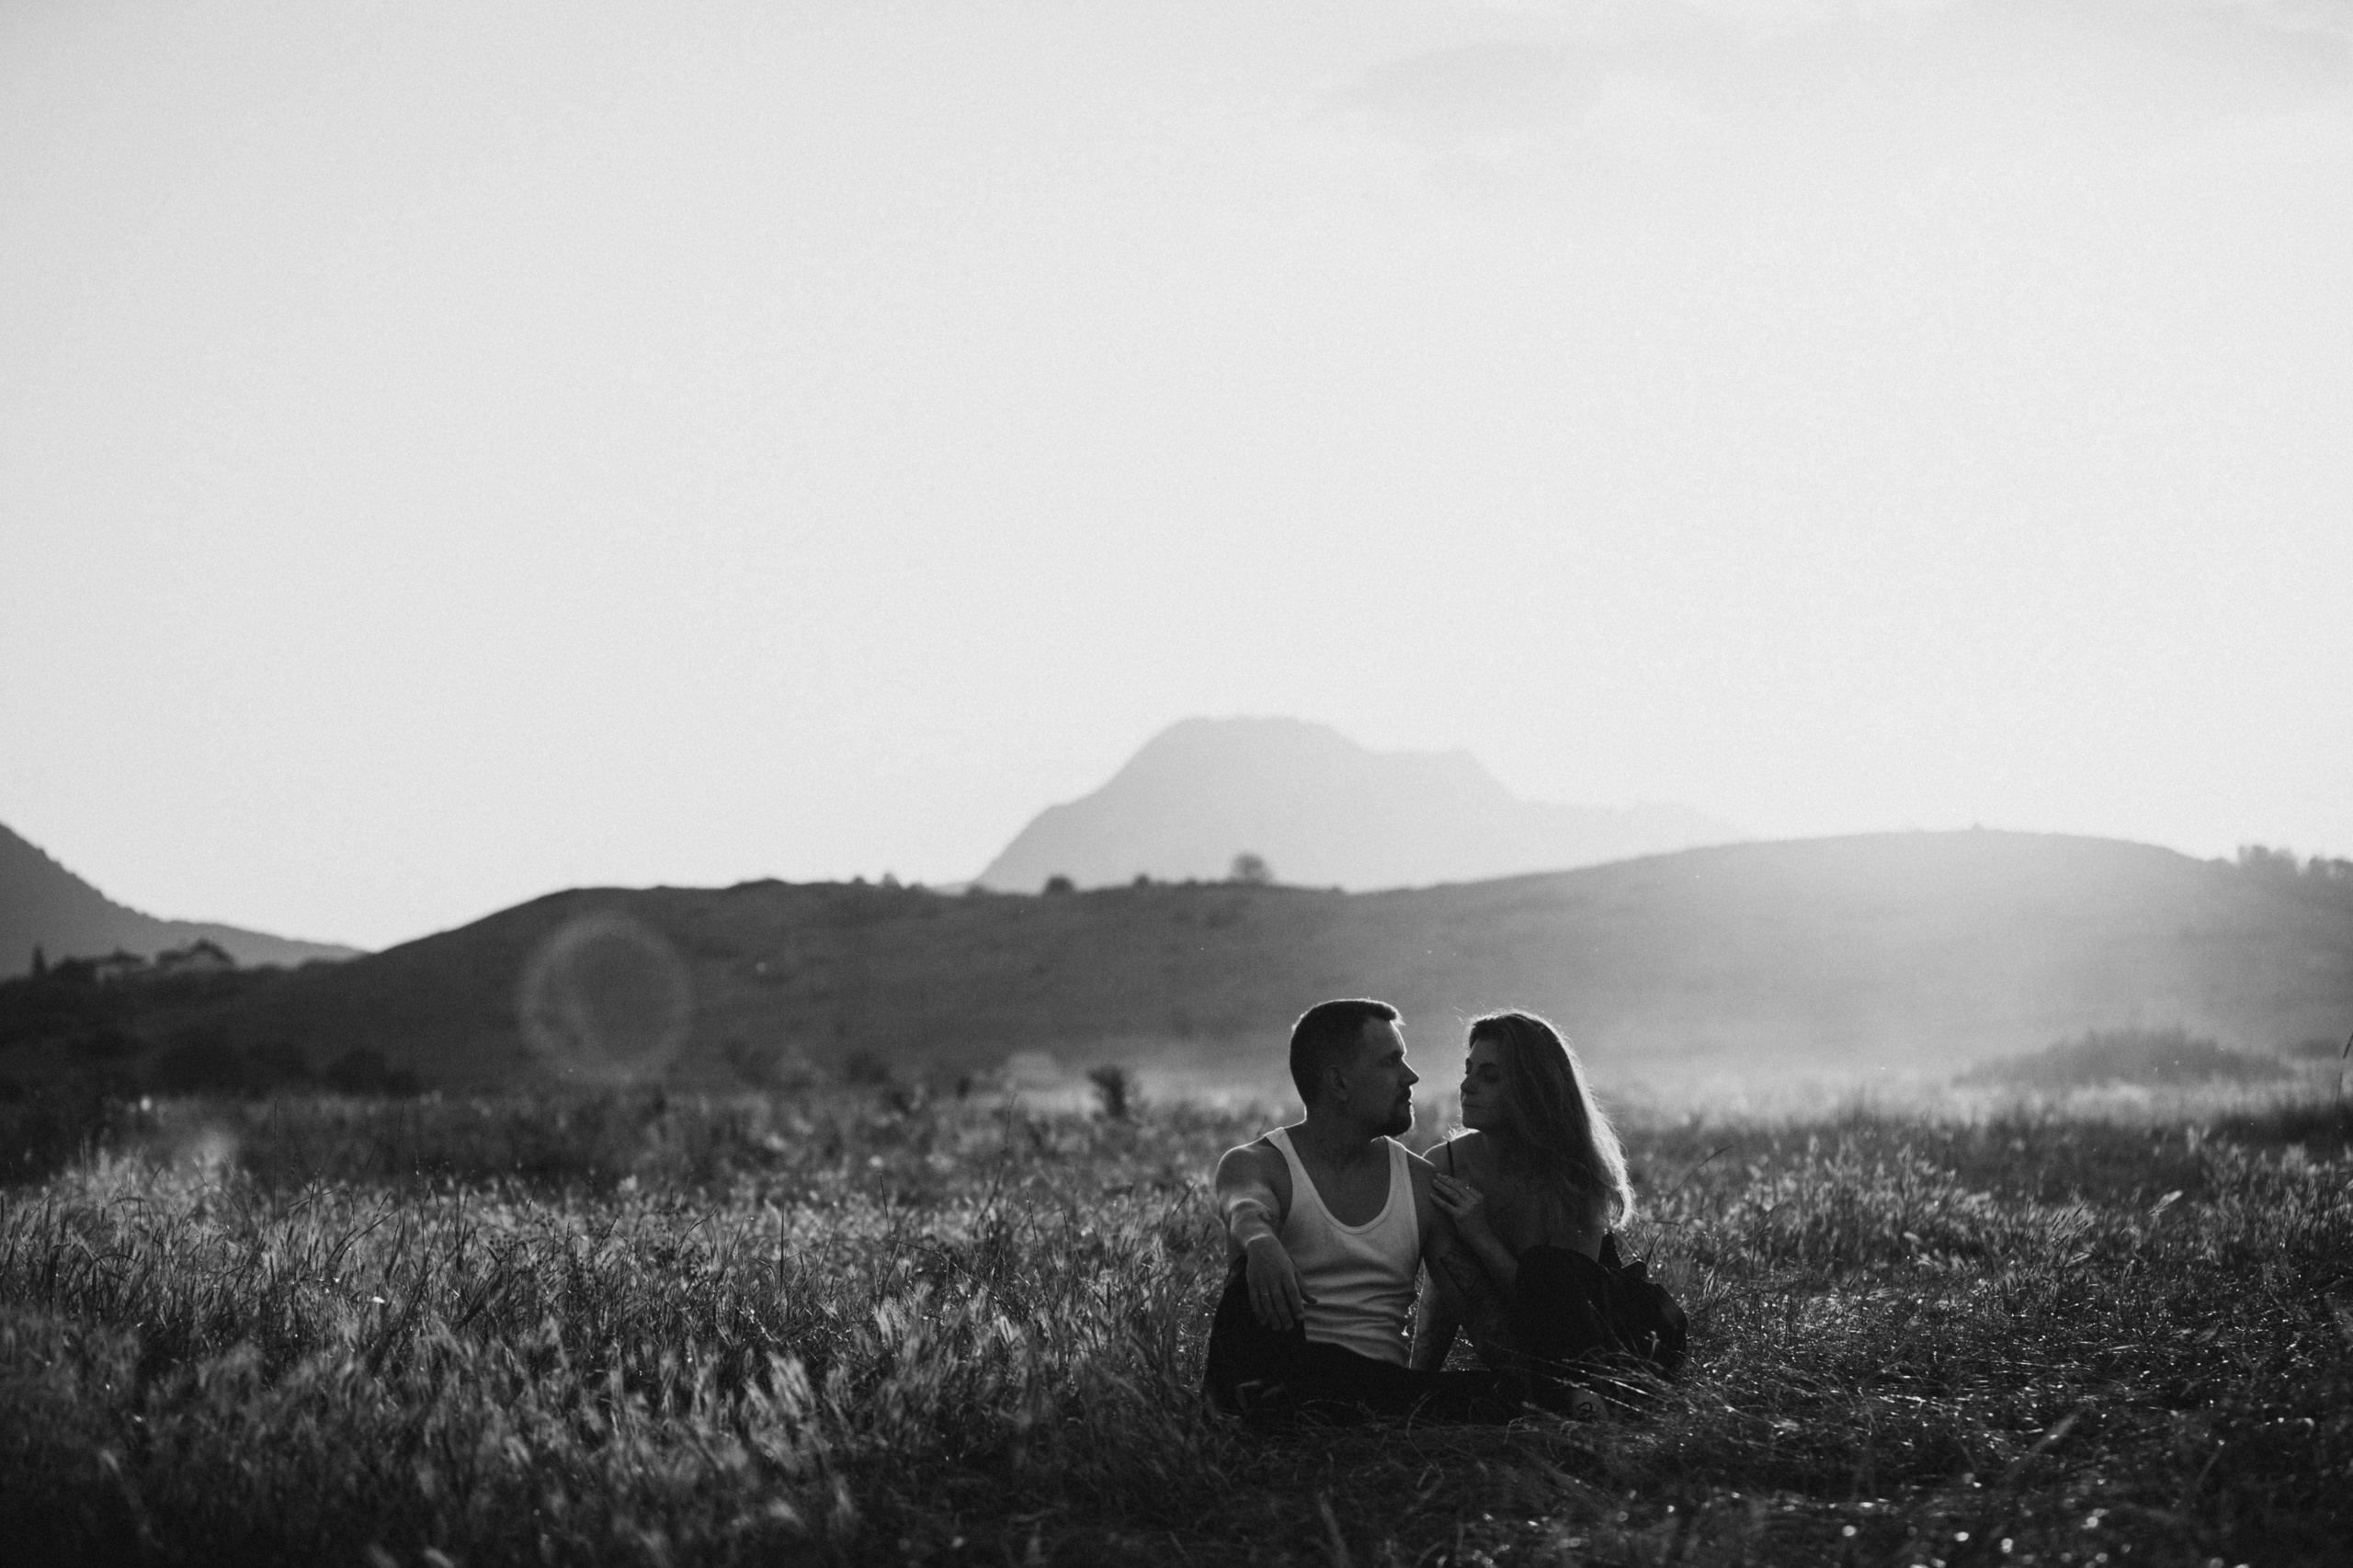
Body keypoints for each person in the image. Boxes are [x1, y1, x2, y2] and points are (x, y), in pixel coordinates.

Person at [1201, 998, 1510, 1423]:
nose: (1410, 1077)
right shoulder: (1258, 1164)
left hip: (1377, 1395)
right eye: (1391, 1062)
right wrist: (1260, 1242)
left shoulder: (1419, 1184)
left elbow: (1478, 1314)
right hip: (1279, 1381)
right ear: (1340, 1083)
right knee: (1247, 1298)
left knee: (1503, 1392)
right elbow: (1244, 1206)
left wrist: (1535, 1379)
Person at [1411, 1010, 1685, 1407]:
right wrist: (1417, 1385)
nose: (1466, 1086)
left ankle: (1571, 1401)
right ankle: (1547, 1399)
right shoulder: (1446, 1167)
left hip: (1584, 1351)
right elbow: (1443, 1280)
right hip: (1510, 1352)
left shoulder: (1575, 1177)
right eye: (1468, 1070)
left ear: (1531, 1090)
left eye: (1489, 1076)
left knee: (1548, 1269)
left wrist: (1482, 1236)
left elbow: (1562, 1310)